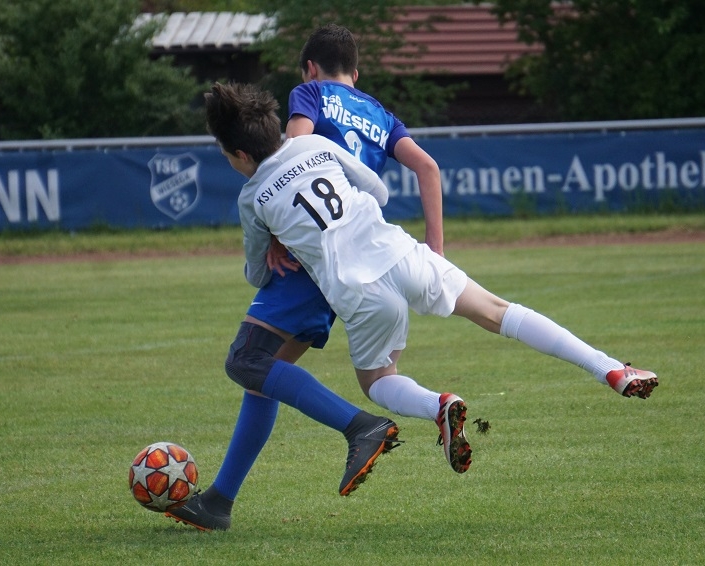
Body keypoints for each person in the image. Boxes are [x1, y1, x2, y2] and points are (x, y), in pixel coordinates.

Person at [201, 78, 658, 495]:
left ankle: (437, 405)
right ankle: (609, 368)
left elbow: (258, 274)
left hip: (357, 290)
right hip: (398, 251)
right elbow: (378, 192)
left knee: (378, 382)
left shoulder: (251, 196)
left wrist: (276, 240)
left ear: (240, 154)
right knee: (497, 311)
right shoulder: (315, 144)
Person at [169, 25, 454, 532]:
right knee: (263, 377)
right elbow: (401, 177)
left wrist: (282, 223)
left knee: (247, 360)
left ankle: (359, 427)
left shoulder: (309, 98)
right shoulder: (375, 113)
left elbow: (262, 253)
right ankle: (218, 502)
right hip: (355, 243)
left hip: (310, 259)